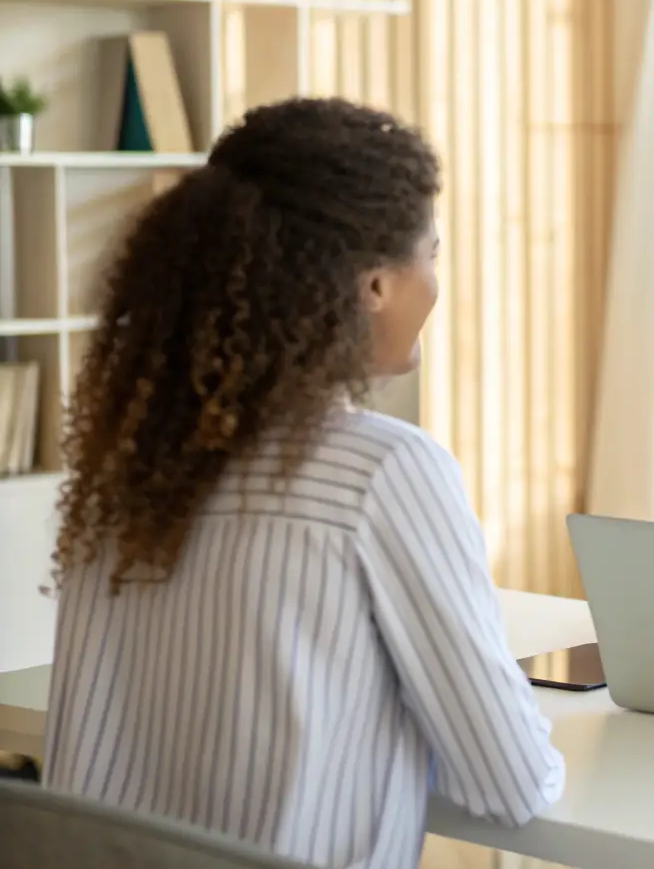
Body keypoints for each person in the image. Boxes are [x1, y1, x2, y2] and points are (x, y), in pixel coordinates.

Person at [41, 98, 564, 868]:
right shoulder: (383, 470)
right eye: (433, 252)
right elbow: (511, 781)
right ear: (375, 285)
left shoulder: (132, 469)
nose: (435, 281)